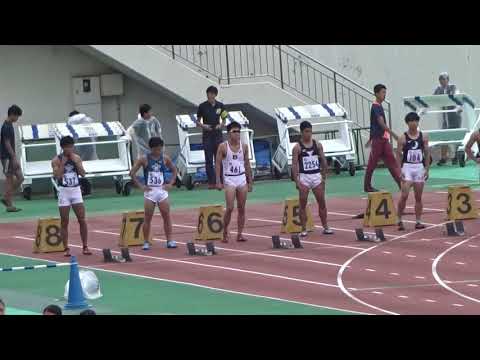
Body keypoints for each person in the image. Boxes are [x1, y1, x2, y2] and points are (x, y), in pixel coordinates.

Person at [129, 137, 177, 250]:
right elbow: (132, 173)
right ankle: (146, 241)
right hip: (150, 192)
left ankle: (169, 240)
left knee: (166, 216)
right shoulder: (144, 159)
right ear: (151, 148)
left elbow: (174, 170)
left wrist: (171, 183)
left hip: (162, 190)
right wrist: (141, 186)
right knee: (148, 217)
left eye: (160, 149)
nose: (158, 152)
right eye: (156, 149)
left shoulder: (165, 158)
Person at [291, 121, 334, 236]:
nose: (309, 134)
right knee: (303, 203)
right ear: (301, 132)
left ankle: (325, 227)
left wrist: (324, 176)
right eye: (306, 132)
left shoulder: (318, 145)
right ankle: (303, 229)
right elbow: (294, 165)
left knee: (322, 202)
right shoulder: (297, 148)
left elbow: (324, 161)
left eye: (310, 131)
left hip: (316, 176)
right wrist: (296, 180)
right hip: (304, 177)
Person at [51, 136, 91, 257]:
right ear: (62, 148)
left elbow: (83, 174)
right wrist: (63, 164)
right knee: (64, 221)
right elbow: (57, 176)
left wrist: (75, 162)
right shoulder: (56, 160)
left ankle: (85, 246)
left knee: (82, 219)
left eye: (71, 147)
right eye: (67, 147)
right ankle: (66, 247)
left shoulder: (77, 158)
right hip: (64, 191)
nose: (69, 149)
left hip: (76, 190)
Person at [215, 121, 253, 242]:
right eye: (234, 131)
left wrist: (250, 181)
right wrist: (218, 181)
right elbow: (217, 164)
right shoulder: (223, 147)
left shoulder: (244, 146)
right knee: (230, 207)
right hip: (229, 178)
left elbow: (247, 164)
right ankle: (225, 230)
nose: (237, 134)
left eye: (238, 131)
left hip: (241, 178)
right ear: (229, 133)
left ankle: (240, 233)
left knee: (242, 207)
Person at [364, 84, 402, 193]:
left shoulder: (379, 106)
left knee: (392, 161)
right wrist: (393, 134)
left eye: (385, 92)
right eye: (382, 92)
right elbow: (380, 123)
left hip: (383, 139)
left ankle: (400, 183)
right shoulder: (376, 106)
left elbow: (374, 124)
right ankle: (367, 186)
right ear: (376, 94)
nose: (384, 95)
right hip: (378, 139)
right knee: (372, 163)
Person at [396, 112, 430, 231]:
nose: (413, 123)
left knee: (418, 197)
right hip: (407, 167)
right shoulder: (402, 138)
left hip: (419, 167)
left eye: (415, 121)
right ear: (407, 123)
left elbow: (426, 153)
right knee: (404, 195)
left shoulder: (424, 137)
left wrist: (427, 169)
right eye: (411, 121)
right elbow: (398, 155)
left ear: (418, 122)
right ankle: (399, 219)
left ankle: (418, 221)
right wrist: (399, 170)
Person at [196, 86, 229, 189]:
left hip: (217, 134)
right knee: (209, 159)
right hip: (207, 134)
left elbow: (224, 120)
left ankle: (221, 181)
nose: (209, 95)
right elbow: (197, 121)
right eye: (208, 94)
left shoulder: (221, 106)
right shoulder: (202, 106)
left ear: (215, 95)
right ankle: (211, 182)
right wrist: (203, 126)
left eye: (211, 94)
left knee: (219, 158)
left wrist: (221, 125)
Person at [434, 72, 462, 166]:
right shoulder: (438, 89)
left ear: (448, 79)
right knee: (444, 136)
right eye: (441, 79)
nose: (442, 81)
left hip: (454, 116)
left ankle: (455, 157)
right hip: (445, 117)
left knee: (455, 136)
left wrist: (458, 107)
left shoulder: (453, 87)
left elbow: (458, 97)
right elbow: (431, 99)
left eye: (444, 79)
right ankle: (443, 158)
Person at [1, 105, 24, 212]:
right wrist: (13, 157)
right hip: (7, 157)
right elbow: (7, 143)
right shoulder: (6, 127)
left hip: (10, 156)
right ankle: (9, 205)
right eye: (17, 116)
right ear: (12, 114)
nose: (17, 119)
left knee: (20, 178)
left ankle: (6, 197)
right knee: (10, 179)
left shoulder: (9, 125)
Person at [67, 111, 96, 196]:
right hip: (90, 147)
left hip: (82, 148)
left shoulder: (72, 121)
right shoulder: (88, 120)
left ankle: (83, 189)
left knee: (79, 170)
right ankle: (86, 189)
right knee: (87, 170)